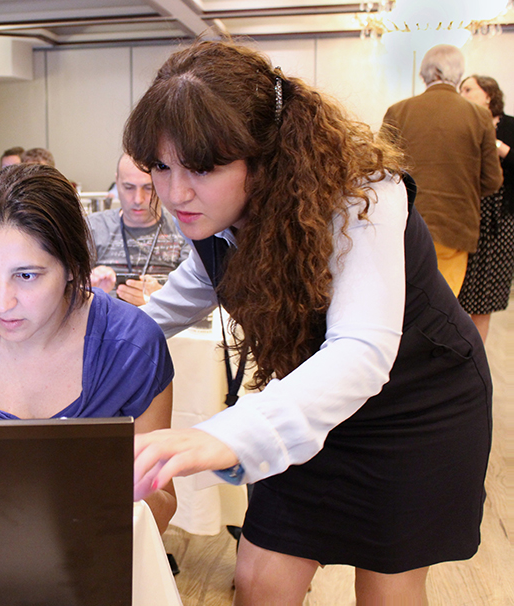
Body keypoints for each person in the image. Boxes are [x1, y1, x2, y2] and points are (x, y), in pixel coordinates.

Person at [126, 41, 491, 605]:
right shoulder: (218, 223)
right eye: (161, 167)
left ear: (265, 154)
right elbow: (164, 312)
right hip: (308, 409)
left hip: (417, 409)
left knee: (388, 591)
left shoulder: (362, 196)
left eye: (202, 168)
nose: (175, 193)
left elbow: (360, 353)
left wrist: (220, 434)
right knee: (258, 582)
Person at [0, 163, 177, 532]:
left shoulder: (132, 347)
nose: (1, 303)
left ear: (70, 266)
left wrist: (99, 478)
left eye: (26, 275)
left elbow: (162, 510)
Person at [381, 44, 503, 295]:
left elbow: (381, 169)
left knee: (403, 303)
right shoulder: (479, 116)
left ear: (425, 74)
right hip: (455, 226)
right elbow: (492, 180)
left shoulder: (398, 111)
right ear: (458, 75)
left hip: (404, 225)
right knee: (442, 307)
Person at [88, 154, 189, 306]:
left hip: (165, 324)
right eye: (128, 188)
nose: (138, 199)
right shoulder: (93, 227)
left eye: (148, 188)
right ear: (117, 182)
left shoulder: (184, 229)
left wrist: (161, 299)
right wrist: (88, 289)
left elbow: (201, 296)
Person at [457, 74, 514, 342]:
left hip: (500, 219)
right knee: (457, 292)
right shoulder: (462, 126)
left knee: (486, 296)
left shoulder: (510, 126)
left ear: (488, 95)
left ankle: (474, 359)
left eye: (469, 89)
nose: (463, 94)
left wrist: (497, 146)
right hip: (466, 215)